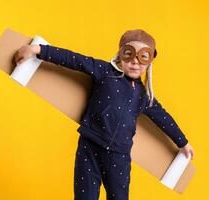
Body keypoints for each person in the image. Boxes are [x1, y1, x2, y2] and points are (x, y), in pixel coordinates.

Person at [14, 29, 195, 200]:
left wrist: (183, 142)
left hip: (119, 158)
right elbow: (74, 59)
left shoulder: (143, 96)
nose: (135, 62)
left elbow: (163, 118)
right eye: (129, 54)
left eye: (143, 57)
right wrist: (37, 49)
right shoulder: (104, 71)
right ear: (120, 54)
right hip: (89, 147)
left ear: (149, 63)